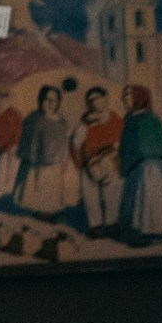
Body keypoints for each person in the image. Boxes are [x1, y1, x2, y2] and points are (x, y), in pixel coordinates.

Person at [116, 84, 162, 245]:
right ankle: (139, 232)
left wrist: (145, 159)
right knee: (139, 201)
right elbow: (127, 146)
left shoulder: (149, 120)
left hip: (150, 168)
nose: (123, 99)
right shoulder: (130, 120)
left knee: (148, 200)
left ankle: (150, 234)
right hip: (137, 168)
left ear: (139, 98)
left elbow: (156, 146)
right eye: (124, 95)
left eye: (128, 95)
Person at [12, 83, 73, 219]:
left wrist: (63, 158)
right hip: (36, 162)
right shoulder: (33, 119)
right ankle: (40, 211)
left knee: (52, 185)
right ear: (40, 100)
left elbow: (64, 142)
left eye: (54, 100)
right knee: (36, 185)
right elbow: (28, 140)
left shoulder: (61, 121)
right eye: (47, 99)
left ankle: (51, 210)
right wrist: (30, 156)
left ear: (58, 102)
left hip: (55, 161)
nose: (50, 103)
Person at [70, 86, 120, 234]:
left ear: (105, 99)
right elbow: (75, 145)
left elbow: (121, 142)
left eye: (97, 98)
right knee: (90, 197)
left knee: (112, 195)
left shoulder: (115, 119)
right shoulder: (84, 123)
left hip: (112, 163)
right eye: (90, 100)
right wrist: (83, 165)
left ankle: (111, 224)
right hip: (89, 165)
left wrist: (110, 157)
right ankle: (96, 226)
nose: (94, 102)